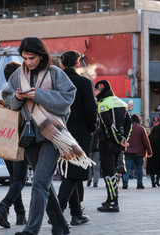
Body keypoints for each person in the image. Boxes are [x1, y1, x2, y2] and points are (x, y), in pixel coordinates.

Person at [3, 37, 78, 235]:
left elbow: (67, 99)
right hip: (29, 135)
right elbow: (8, 100)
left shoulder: (55, 73)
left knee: (39, 182)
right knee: (43, 183)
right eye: (25, 58)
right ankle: (60, 226)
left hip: (53, 134)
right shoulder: (18, 75)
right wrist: (18, 97)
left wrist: (38, 95)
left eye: (32, 58)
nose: (28, 62)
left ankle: (31, 230)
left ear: (41, 55)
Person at [57, 50, 97, 226]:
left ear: (62, 64)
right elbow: (90, 110)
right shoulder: (83, 82)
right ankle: (57, 212)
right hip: (79, 134)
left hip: (58, 134)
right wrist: (91, 128)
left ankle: (76, 213)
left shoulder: (55, 82)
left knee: (69, 173)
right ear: (78, 64)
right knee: (74, 174)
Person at [0, 61, 28, 228]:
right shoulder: (20, 93)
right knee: (20, 180)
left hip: (3, 140)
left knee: (14, 179)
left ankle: (20, 215)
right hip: (19, 140)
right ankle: (3, 206)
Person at [94, 80, 132, 212]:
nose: (95, 93)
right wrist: (124, 139)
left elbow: (108, 125)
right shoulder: (122, 103)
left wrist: (118, 139)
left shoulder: (103, 104)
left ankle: (113, 202)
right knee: (114, 171)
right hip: (118, 145)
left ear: (101, 89)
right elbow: (129, 123)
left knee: (108, 172)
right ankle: (111, 199)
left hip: (107, 143)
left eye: (96, 90)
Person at [122, 114, 152, 189]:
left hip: (128, 151)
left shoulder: (127, 128)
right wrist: (149, 152)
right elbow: (146, 141)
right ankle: (139, 184)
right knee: (139, 168)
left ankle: (125, 182)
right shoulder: (141, 128)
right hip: (139, 152)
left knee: (127, 168)